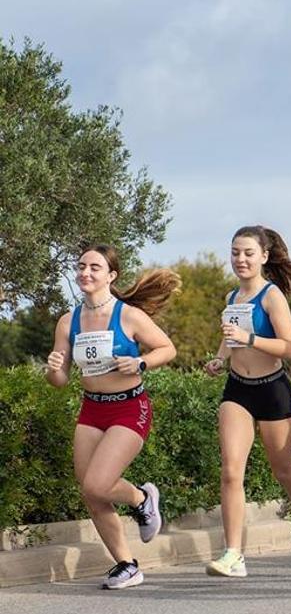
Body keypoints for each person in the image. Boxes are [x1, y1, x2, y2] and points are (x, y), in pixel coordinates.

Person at [44, 245, 179, 589]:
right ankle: (126, 564)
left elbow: (167, 348)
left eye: (94, 267)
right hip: (92, 408)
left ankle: (142, 499)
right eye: (81, 267)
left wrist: (140, 363)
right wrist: (54, 369)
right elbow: (59, 382)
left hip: (129, 406)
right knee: (91, 492)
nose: (85, 273)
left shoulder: (128, 315)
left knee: (97, 483)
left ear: (111, 275)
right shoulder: (68, 321)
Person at [203, 226, 291, 577]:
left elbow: (289, 347)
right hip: (237, 390)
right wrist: (220, 357)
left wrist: (250, 337)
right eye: (235, 252)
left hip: (273, 389)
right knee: (230, 470)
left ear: (264, 257)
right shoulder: (231, 298)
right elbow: (231, 339)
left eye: (248, 253)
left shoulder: (272, 297)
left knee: (282, 468)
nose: (240, 259)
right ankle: (233, 554)